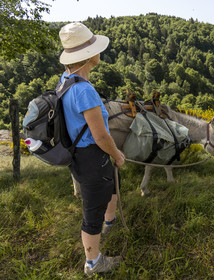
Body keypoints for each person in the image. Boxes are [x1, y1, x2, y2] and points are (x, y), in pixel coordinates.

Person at [58, 22, 125, 276]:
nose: (99, 52)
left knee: (105, 191)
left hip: (78, 155)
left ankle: (110, 221)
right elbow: (100, 135)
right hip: (91, 157)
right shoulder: (84, 90)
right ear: (87, 56)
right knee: (92, 210)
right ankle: (93, 262)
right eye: (95, 48)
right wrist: (117, 155)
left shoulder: (65, 80)